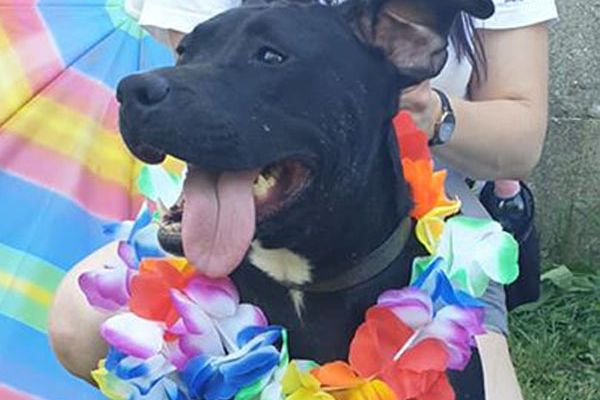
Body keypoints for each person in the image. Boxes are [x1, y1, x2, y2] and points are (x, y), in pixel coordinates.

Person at [48, 1, 558, 399]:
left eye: (270, 57)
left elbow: (522, 142)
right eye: (186, 56)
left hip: (429, 196)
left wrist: (435, 114)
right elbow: (214, 86)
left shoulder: (389, 35)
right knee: (78, 316)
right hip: (232, 180)